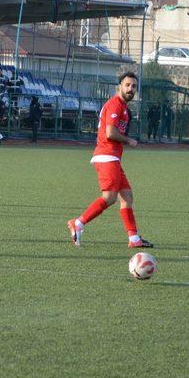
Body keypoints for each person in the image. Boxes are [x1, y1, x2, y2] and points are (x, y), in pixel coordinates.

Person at [66, 72, 153, 250]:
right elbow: (110, 132)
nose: (131, 89)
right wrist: (129, 140)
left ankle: (134, 238)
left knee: (127, 197)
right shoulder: (115, 104)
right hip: (107, 156)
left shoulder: (122, 107)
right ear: (119, 87)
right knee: (110, 197)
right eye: (127, 85)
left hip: (112, 157)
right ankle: (78, 223)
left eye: (134, 86)